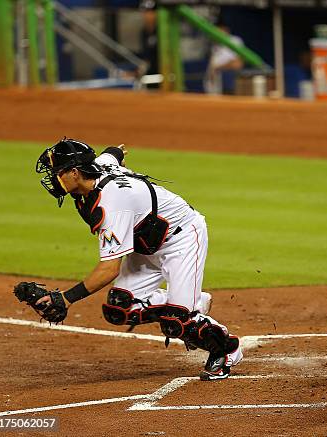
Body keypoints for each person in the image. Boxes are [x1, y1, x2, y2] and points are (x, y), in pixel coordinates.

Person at [33, 139, 242, 380]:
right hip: (144, 246)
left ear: (75, 172)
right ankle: (187, 304)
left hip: (181, 240)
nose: (53, 178)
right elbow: (114, 153)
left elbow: (110, 269)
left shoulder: (113, 205)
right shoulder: (97, 165)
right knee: (118, 309)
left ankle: (227, 350)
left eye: (57, 172)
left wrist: (67, 298)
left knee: (177, 323)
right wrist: (117, 154)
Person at [204, 24, 244, 95]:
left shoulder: (234, 41)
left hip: (229, 86)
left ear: (226, 30)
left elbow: (237, 64)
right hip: (214, 88)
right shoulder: (215, 45)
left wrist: (218, 68)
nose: (216, 33)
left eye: (219, 31)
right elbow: (212, 68)